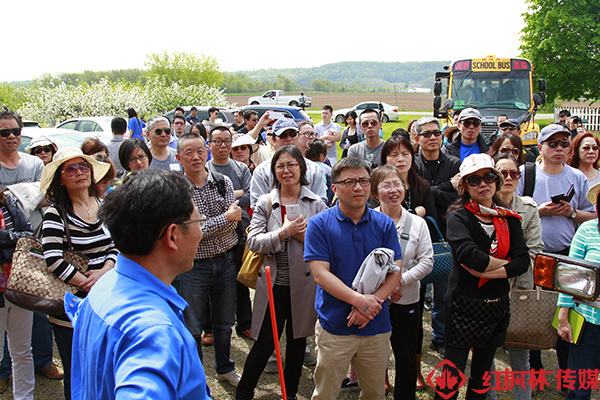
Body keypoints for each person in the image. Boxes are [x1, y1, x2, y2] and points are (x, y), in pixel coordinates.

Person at [68, 169, 212, 400]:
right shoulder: (154, 332)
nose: (200, 232)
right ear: (173, 236)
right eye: (199, 222)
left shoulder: (104, 286)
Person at [304, 157, 402, 400]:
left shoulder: (384, 223)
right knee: (326, 392)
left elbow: (395, 269)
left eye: (364, 181)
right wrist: (359, 301)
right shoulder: (319, 224)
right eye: (349, 181)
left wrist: (371, 304)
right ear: (334, 188)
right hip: (336, 324)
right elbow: (320, 274)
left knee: (374, 392)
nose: (358, 187)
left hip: (376, 324)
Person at [437, 153, 529, 400]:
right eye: (474, 180)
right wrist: (507, 266)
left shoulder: (509, 219)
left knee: (481, 377)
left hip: (496, 305)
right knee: (451, 375)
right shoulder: (458, 216)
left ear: (496, 181)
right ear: (464, 186)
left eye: (488, 177)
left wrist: (493, 270)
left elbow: (524, 261)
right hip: (464, 305)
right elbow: (470, 256)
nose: (483, 184)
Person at [237, 146, 326, 400]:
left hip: (304, 286)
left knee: (297, 342)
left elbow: (325, 247)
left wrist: (302, 235)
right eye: (280, 166)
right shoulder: (266, 202)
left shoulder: (317, 203)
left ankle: (291, 393)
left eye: (291, 165)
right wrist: (283, 232)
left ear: (301, 168)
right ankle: (244, 393)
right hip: (273, 284)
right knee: (265, 343)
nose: (286, 170)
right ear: (274, 171)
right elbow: (253, 241)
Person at [516, 124, 596, 377]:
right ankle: (536, 371)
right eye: (553, 144)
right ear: (540, 147)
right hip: (535, 256)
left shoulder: (577, 177)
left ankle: (566, 372)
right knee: (535, 314)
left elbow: (591, 213)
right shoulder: (525, 173)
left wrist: (571, 212)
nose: (559, 148)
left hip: (568, 253)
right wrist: (540, 211)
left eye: (564, 143)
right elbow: (511, 213)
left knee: (568, 314)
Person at [40, 147, 117, 400]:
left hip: (106, 297)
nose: (79, 173)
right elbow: (52, 259)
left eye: (84, 167)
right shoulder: (55, 213)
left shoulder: (103, 205)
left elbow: (116, 246)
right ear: (60, 179)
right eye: (70, 169)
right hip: (71, 305)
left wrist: (105, 271)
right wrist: (87, 283)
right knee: (77, 373)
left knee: (104, 366)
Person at [175, 133, 242, 387]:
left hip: (225, 261)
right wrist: (224, 218)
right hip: (192, 266)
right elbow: (189, 230)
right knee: (193, 327)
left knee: (225, 323)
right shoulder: (177, 189)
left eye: (200, 151)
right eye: (188, 153)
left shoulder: (222, 181)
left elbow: (232, 221)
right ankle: (196, 379)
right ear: (179, 157)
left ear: (207, 152)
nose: (196, 157)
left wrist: (213, 222)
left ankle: (225, 368)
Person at [0, 111, 62, 389]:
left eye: (15, 131)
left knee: (36, 302)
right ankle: (4, 371)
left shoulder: (35, 163)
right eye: (4, 133)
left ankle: (43, 360)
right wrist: (26, 194)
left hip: (34, 241)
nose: (11, 136)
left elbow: (43, 197)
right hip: (4, 249)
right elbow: (32, 196)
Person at [371, 164, 433, 400]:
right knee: (375, 355)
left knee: (406, 357)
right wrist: (385, 289)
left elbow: (427, 262)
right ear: (375, 193)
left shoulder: (418, 223)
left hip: (407, 299)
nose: (393, 189)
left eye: (397, 184)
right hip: (374, 301)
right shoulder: (368, 221)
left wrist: (399, 282)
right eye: (386, 185)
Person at [490, 152, 544, 400]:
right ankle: (488, 395)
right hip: (487, 286)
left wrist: (504, 265)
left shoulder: (529, 208)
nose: (508, 178)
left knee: (519, 350)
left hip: (520, 286)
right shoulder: (482, 207)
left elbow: (534, 251)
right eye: (503, 173)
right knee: (486, 349)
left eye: (514, 173)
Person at [207, 127, 253, 340]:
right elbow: (207, 203)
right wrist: (235, 196)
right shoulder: (205, 169)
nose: (223, 145)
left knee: (240, 279)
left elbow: (250, 194)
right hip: (213, 234)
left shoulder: (241, 168)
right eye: (218, 141)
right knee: (212, 281)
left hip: (240, 229)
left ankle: (245, 322)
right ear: (210, 145)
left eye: (227, 141)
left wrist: (225, 201)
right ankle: (209, 328)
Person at [556, 181, 600, 400]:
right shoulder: (587, 230)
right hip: (588, 321)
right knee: (579, 388)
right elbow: (569, 275)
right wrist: (563, 315)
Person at [0, 182, 35, 400]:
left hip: (18, 284)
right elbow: (17, 238)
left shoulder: (9, 202)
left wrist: (4, 238)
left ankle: (25, 397)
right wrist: (11, 240)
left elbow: (28, 236)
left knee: (22, 350)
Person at [249, 118, 327, 206]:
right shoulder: (262, 171)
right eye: (283, 136)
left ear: (298, 137)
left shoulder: (314, 170)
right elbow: (257, 206)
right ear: (273, 140)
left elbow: (321, 204)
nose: (289, 139)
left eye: (292, 134)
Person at [381, 135, 436, 219]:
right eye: (394, 155)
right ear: (385, 159)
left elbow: (432, 221)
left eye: (405, 154)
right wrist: (415, 213)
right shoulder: (380, 188)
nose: (401, 159)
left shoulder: (422, 186)